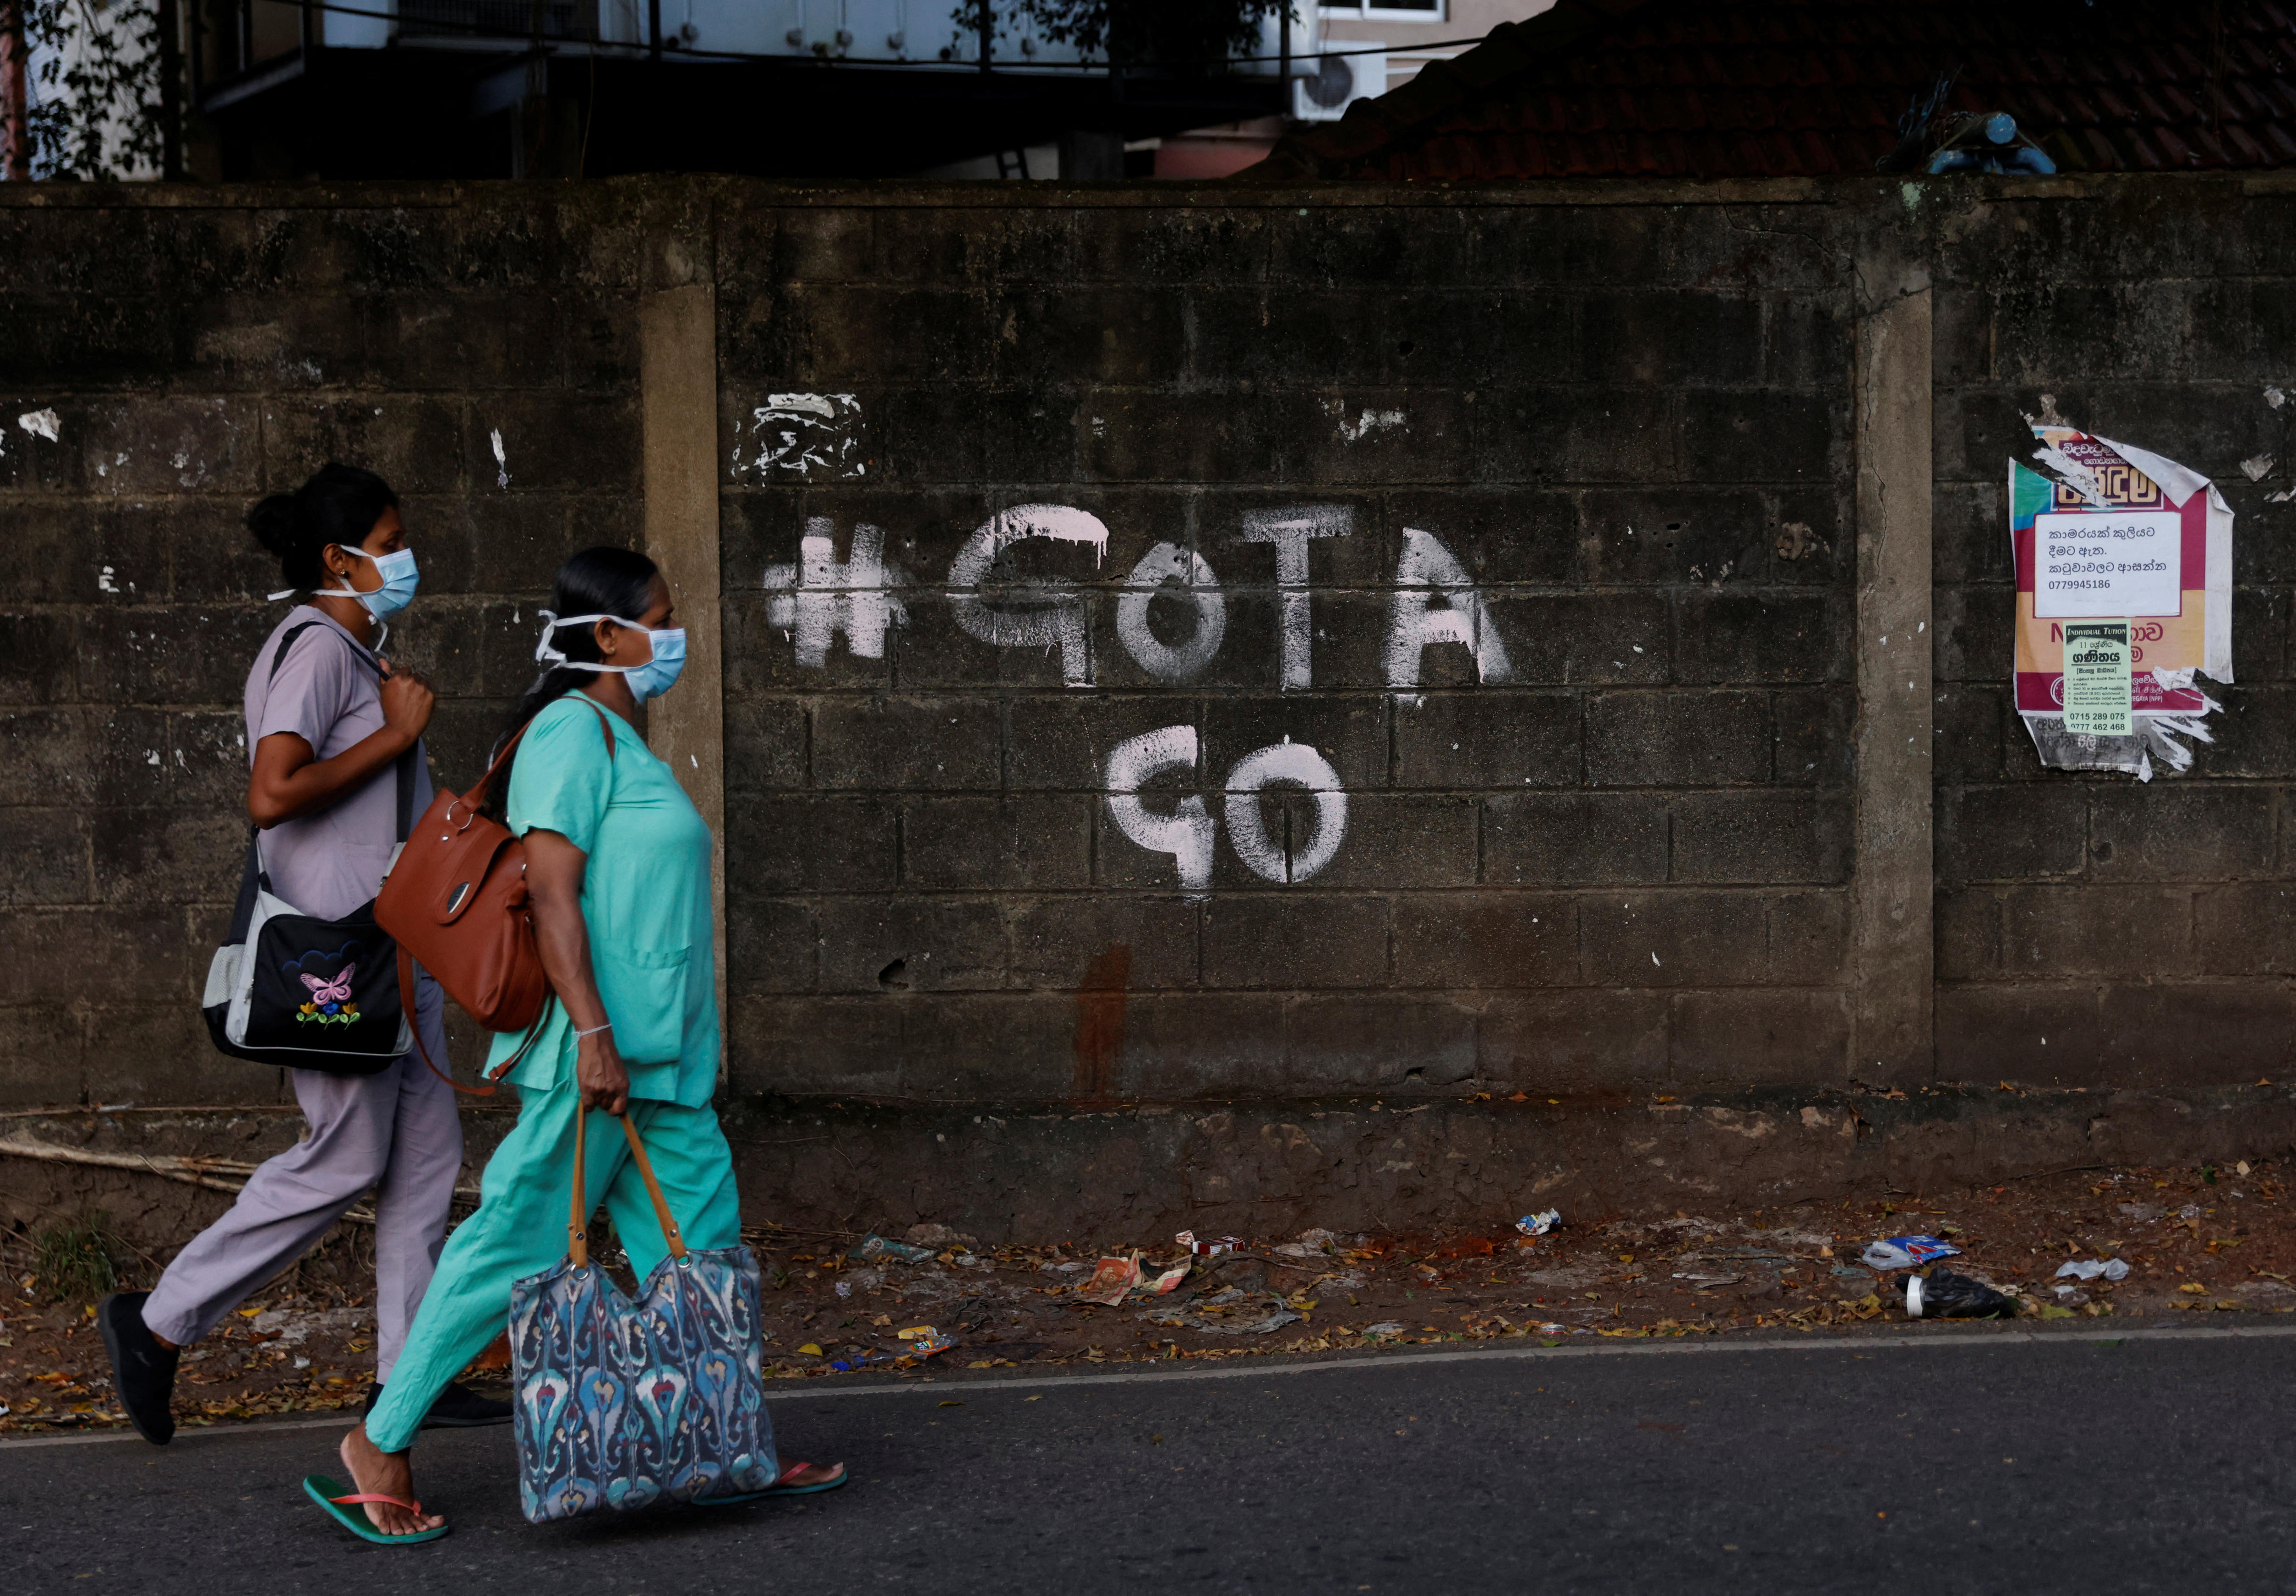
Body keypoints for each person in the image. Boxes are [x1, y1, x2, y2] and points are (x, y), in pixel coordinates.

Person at [323, 546, 844, 1541]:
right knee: (517, 1240)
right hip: (596, 1054)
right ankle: (379, 1439)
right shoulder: (570, 732)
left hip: (667, 1060)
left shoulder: (621, 739)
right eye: (663, 617)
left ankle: (725, 1440)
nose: (676, 634)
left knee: (702, 1250)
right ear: (608, 634)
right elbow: (553, 897)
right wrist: (596, 1036)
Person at [98, 462, 509, 1445]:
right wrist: (397, 737)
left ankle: (410, 1373)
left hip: (393, 952)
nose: (406, 559)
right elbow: (273, 791)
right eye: (391, 543)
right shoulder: (318, 648)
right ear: (339, 558)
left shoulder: (359, 658)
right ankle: (157, 1323)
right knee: (345, 1157)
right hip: (336, 959)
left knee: (425, 1161)